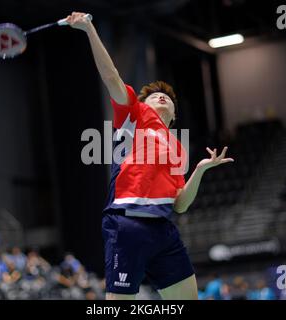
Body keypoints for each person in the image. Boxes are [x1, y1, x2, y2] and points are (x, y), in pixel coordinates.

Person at [66, 11, 234, 300]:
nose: (160, 97)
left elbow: (180, 204)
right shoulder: (134, 114)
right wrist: (89, 29)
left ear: (174, 114)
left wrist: (201, 170)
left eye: (166, 97)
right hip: (127, 224)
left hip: (163, 231)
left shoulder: (177, 147)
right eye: (153, 95)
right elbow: (110, 76)